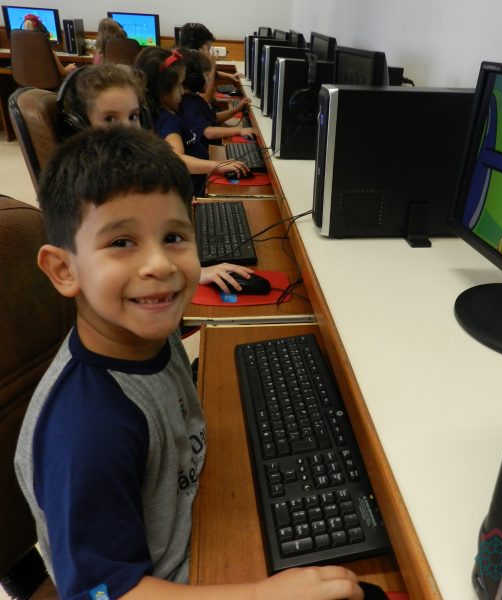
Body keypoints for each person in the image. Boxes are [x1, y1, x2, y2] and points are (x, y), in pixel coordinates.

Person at [14, 126, 364, 600]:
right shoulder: (88, 429)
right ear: (63, 269)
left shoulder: (148, 335)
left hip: (195, 517)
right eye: (122, 242)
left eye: (174, 236)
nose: (160, 264)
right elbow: (103, 595)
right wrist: (263, 596)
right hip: (174, 580)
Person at [56, 63, 253, 293]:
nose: (128, 128)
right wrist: (196, 273)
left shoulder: (128, 169)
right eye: (110, 119)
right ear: (78, 126)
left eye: (133, 116)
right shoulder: (93, 188)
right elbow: (116, 262)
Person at [134, 46, 250, 198]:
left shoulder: (160, 114)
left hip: (197, 183)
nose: (182, 91)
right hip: (195, 190)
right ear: (163, 90)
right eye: (179, 85)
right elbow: (177, 159)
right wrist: (217, 166)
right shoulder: (168, 121)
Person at [180, 48, 255, 147]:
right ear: (196, 80)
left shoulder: (195, 98)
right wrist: (239, 130)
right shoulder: (188, 105)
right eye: (207, 75)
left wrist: (236, 110)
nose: (210, 79)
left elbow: (214, 117)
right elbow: (208, 132)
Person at [21, 13, 76, 77]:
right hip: (46, 83)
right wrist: (70, 66)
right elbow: (63, 72)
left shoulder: (19, 51)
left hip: (24, 83)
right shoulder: (49, 52)